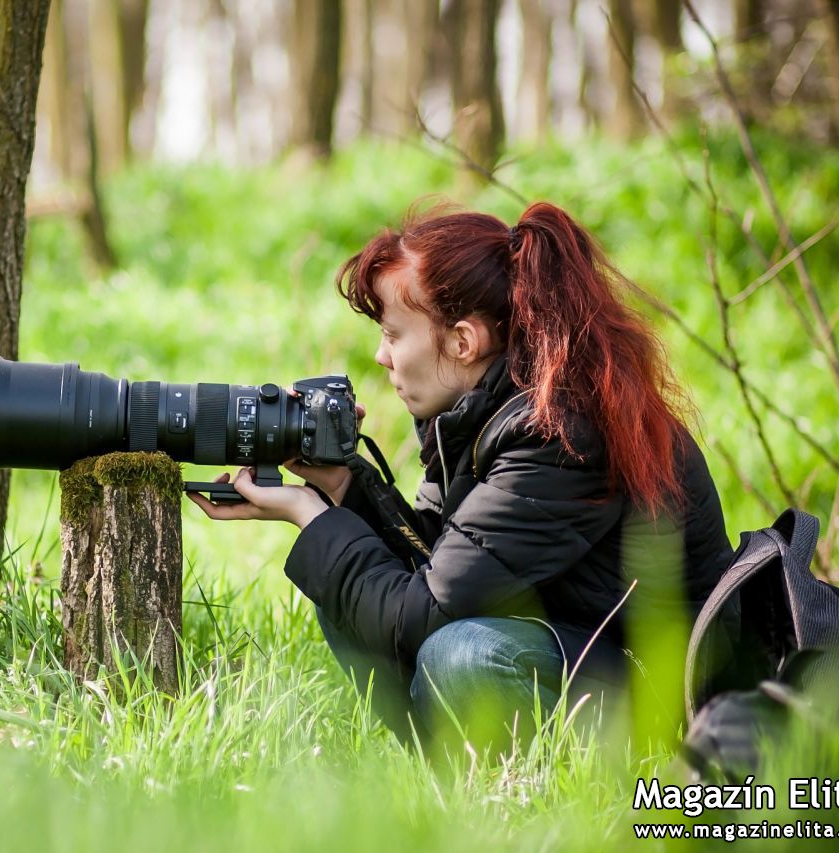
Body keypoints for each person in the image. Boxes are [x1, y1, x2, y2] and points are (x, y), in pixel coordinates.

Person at [188, 202, 735, 754]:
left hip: (666, 704)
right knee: (347, 589)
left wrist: (310, 515)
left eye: (394, 334)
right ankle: (464, 783)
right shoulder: (484, 411)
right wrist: (339, 485)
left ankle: (535, 801)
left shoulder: (560, 435)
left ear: (463, 342)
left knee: (461, 653)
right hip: (583, 652)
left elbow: (419, 612)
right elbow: (447, 565)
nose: (381, 356)